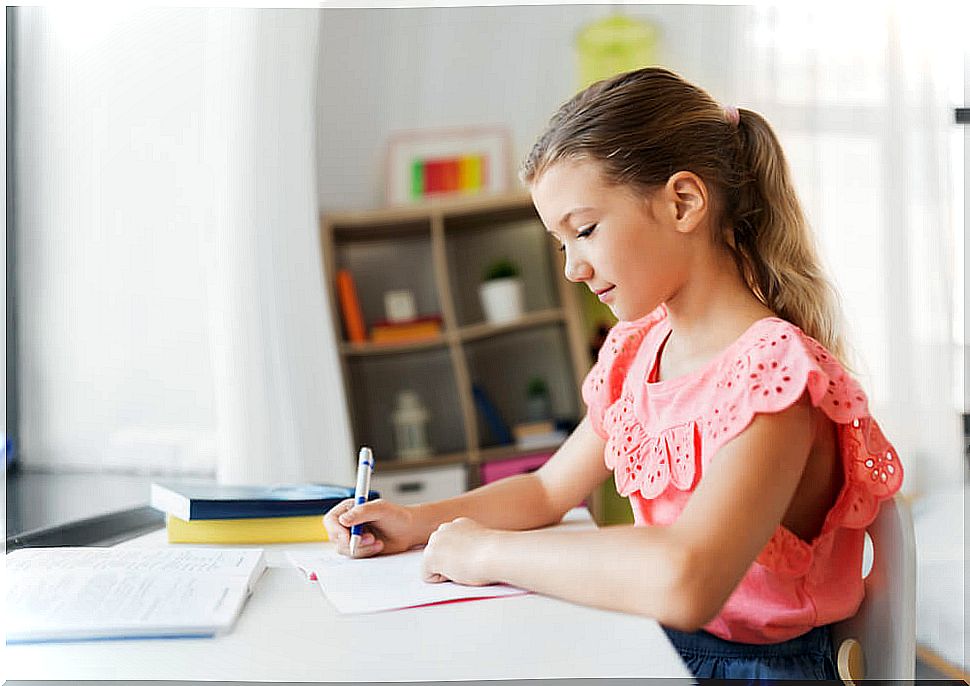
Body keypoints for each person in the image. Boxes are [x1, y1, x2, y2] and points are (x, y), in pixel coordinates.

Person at [323, 67, 903, 680]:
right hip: (654, 645)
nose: (573, 268)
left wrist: (491, 551)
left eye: (586, 230)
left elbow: (688, 580)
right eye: (560, 243)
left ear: (683, 203)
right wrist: (416, 522)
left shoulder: (775, 375)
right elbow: (548, 490)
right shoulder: (638, 351)